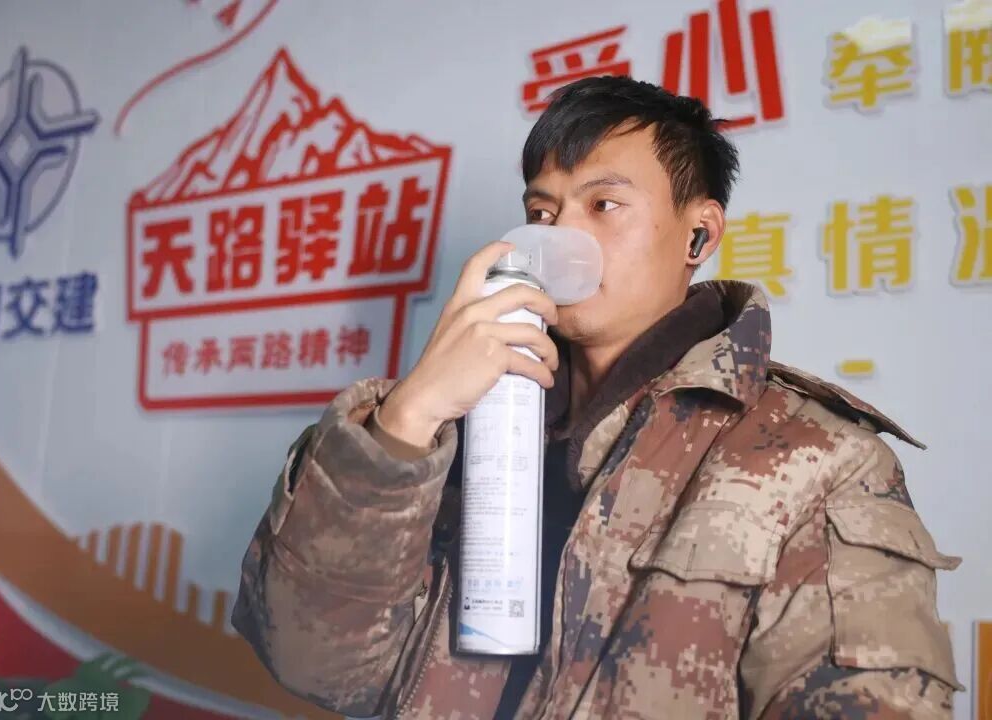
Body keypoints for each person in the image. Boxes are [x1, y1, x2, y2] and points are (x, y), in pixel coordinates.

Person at [231, 77, 962, 719]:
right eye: (543, 213)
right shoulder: (457, 425)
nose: (561, 238)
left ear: (698, 234)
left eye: (604, 203)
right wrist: (408, 417)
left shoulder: (819, 458)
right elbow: (310, 662)